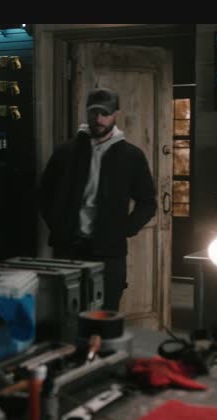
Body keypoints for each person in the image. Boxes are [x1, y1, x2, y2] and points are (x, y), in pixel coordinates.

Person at [38, 87, 157, 312]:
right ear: (87, 113)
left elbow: (147, 202)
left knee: (105, 314)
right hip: (68, 248)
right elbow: (44, 194)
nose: (99, 119)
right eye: (94, 112)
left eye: (105, 113)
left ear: (115, 115)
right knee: (65, 314)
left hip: (109, 252)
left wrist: (124, 228)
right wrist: (58, 225)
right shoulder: (65, 152)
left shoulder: (131, 156)